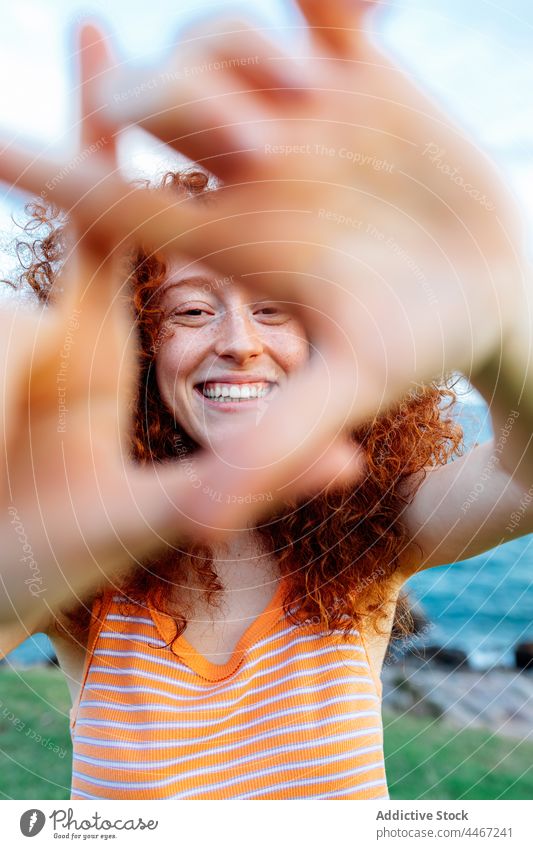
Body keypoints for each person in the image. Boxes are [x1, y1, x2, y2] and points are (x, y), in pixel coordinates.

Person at [1, 1, 533, 800]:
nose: (238, 341)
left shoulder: (372, 527)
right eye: (188, 310)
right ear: (142, 349)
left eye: (274, 306)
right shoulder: (80, 568)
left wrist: (502, 325)